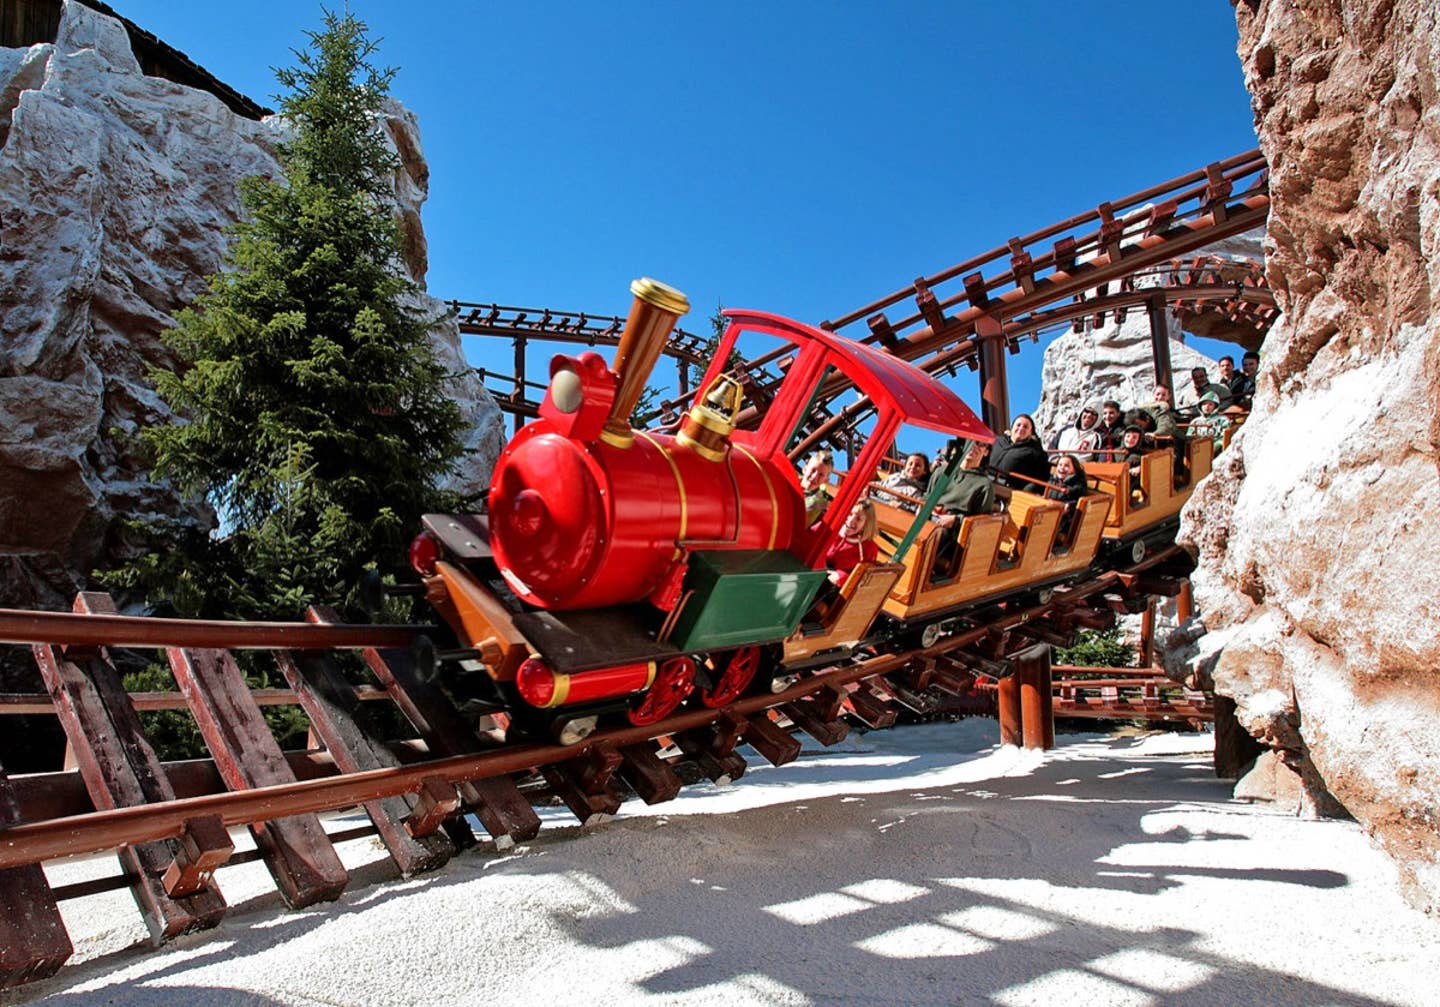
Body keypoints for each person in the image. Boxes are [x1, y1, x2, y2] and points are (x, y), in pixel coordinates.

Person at [929, 439, 996, 574]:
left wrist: (956, 520)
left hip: (953, 533)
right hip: (930, 517)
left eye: (980, 444)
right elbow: (927, 497)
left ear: (986, 451)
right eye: (970, 442)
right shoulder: (942, 472)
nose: (973, 446)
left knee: (936, 534)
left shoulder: (984, 485)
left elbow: (981, 522)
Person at [824, 499, 879, 588]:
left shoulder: (868, 548)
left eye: (858, 519)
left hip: (835, 589)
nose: (850, 521)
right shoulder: (829, 528)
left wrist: (841, 577)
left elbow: (863, 579)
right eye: (849, 514)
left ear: (866, 524)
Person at [988, 414, 1050, 491]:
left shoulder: (1035, 452)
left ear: (1031, 432)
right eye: (1018, 425)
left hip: (1009, 491)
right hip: (986, 482)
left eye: (1025, 427)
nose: (1021, 428)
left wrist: (1026, 490)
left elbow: (1042, 478)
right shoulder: (997, 441)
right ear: (1012, 427)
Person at [800, 450, 834, 525]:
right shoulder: (791, 478)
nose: (814, 477)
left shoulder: (818, 502)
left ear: (826, 480)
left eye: (821, 475)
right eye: (813, 470)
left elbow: (799, 522)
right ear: (805, 469)